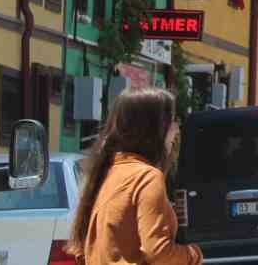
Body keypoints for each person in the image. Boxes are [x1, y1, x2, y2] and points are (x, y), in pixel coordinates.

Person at [67, 86, 201, 265]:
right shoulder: (147, 177)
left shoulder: (107, 172)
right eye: (172, 121)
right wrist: (193, 255)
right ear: (154, 128)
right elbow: (159, 253)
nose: (176, 129)